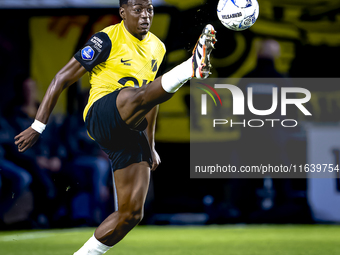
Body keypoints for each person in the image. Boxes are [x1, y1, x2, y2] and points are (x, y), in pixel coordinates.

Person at [14, 0, 216, 254]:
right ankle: (190, 67)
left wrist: (150, 145)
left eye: (150, 10)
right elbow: (61, 78)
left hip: (129, 129)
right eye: (138, 9)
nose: (145, 15)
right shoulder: (106, 39)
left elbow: (151, 101)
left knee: (130, 214)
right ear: (123, 12)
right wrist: (38, 126)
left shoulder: (158, 47)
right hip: (101, 114)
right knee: (135, 93)